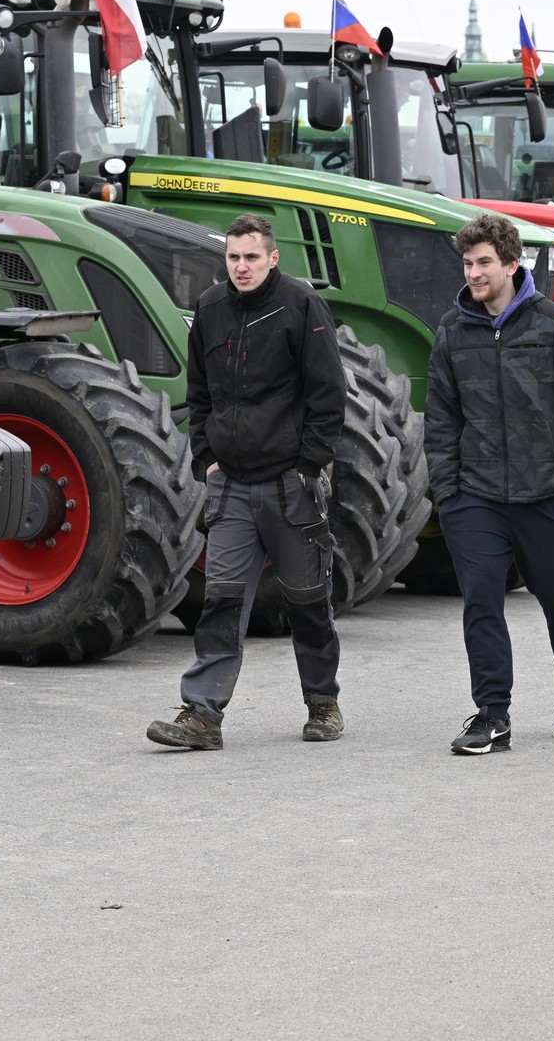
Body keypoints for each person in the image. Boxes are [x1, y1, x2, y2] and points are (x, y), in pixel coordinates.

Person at [147, 213, 347, 750]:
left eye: (252, 257)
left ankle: (322, 703)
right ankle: (202, 716)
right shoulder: (211, 308)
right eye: (234, 257)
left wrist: (309, 467)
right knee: (222, 602)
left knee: (307, 601)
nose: (241, 266)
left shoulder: (302, 306)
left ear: (272, 258)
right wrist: (208, 459)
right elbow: (199, 392)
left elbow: (328, 393)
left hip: (290, 484)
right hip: (231, 486)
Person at [425, 213, 554, 755]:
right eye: (467, 263)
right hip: (475, 497)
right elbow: (441, 419)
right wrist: (448, 494)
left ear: (510, 263)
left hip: (547, 494)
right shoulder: (452, 331)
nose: (474, 273)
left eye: (484, 262)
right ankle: (492, 715)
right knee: (481, 602)